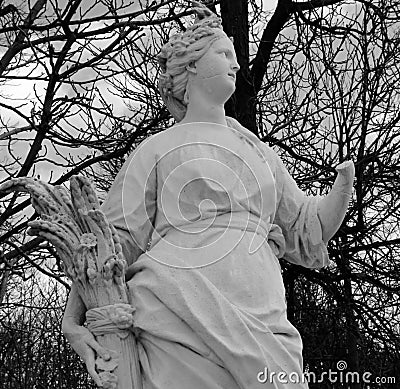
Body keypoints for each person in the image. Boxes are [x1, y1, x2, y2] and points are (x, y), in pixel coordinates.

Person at [62, 3, 355, 388]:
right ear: (193, 65)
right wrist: (72, 320)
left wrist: (342, 188)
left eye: (235, 57)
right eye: (224, 54)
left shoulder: (256, 149)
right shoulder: (156, 149)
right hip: (175, 303)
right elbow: (110, 247)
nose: (235, 66)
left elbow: (305, 226)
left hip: (259, 297)